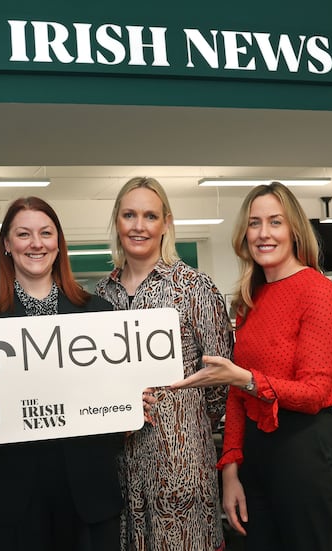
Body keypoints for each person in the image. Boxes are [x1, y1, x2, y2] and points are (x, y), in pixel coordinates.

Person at [172, 182, 332, 551]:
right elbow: (238, 397)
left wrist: (245, 378)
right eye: (255, 223)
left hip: (307, 451)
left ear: (294, 231)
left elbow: (314, 392)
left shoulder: (318, 291)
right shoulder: (249, 300)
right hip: (257, 455)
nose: (263, 233)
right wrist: (231, 469)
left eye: (275, 222)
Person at [0, 196, 124, 551]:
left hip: (86, 493)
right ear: (6, 244)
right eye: (23, 234)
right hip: (9, 496)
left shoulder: (98, 314)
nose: (36, 243)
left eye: (46, 233)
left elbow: (113, 394)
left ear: (59, 243)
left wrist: (127, 399)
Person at [95, 176, 232, 551]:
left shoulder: (195, 289)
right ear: (117, 222)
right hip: (120, 469)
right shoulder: (98, 298)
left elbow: (220, 387)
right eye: (129, 215)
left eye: (150, 216)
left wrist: (181, 422)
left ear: (166, 223)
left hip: (180, 469)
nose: (139, 226)